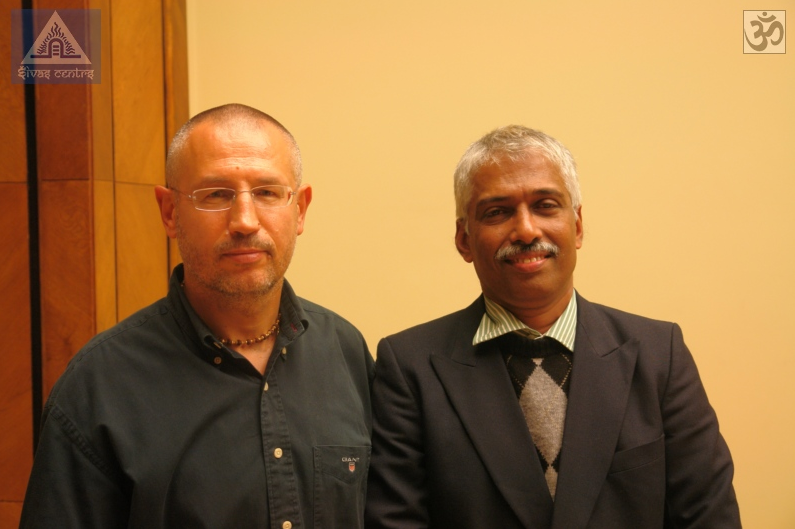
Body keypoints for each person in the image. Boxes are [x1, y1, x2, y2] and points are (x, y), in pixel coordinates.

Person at [364, 125, 741, 528]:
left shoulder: (659, 355)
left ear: (577, 226)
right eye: (497, 212)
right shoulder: (409, 368)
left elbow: (708, 517)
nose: (527, 230)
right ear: (464, 240)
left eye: (545, 206)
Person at [20, 104, 373, 529]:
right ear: (170, 212)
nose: (244, 221)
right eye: (216, 195)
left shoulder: (345, 352)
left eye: (267, 192)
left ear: (299, 210)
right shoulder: (98, 387)